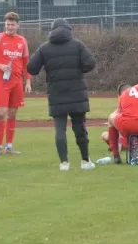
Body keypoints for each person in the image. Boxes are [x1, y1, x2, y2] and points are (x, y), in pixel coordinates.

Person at [27, 18, 97, 171]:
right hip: (77, 94)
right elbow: (90, 63)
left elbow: (31, 68)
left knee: (60, 129)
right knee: (80, 129)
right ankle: (85, 161)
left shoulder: (45, 48)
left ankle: (64, 163)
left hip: (56, 94)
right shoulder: (77, 45)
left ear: (51, 31)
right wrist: (79, 70)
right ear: (68, 29)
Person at [0, 11, 32, 156]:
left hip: (17, 82)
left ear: (18, 25)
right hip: (2, 82)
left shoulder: (22, 41)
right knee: (1, 113)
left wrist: (27, 80)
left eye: (13, 24)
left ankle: (9, 146)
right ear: (5, 24)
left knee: (12, 114)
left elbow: (25, 62)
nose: (10, 27)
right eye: (8, 24)